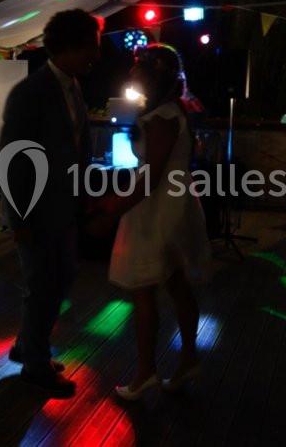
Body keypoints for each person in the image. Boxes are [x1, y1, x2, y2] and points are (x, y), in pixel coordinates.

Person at [90, 44, 211, 400]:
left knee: (144, 288)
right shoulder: (173, 111)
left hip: (159, 208)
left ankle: (146, 373)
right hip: (174, 202)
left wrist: (113, 208)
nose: (131, 74)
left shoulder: (162, 117)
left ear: (154, 75)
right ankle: (187, 360)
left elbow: (151, 177)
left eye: (138, 68)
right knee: (176, 284)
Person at [0, 9, 100, 398]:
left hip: (65, 207)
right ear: (71, 46)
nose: (96, 56)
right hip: (37, 210)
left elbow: (76, 147)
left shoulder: (72, 87)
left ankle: (28, 345)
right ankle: (36, 366)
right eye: (91, 47)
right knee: (43, 285)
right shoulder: (30, 92)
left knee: (60, 278)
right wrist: (20, 218)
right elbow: (14, 158)